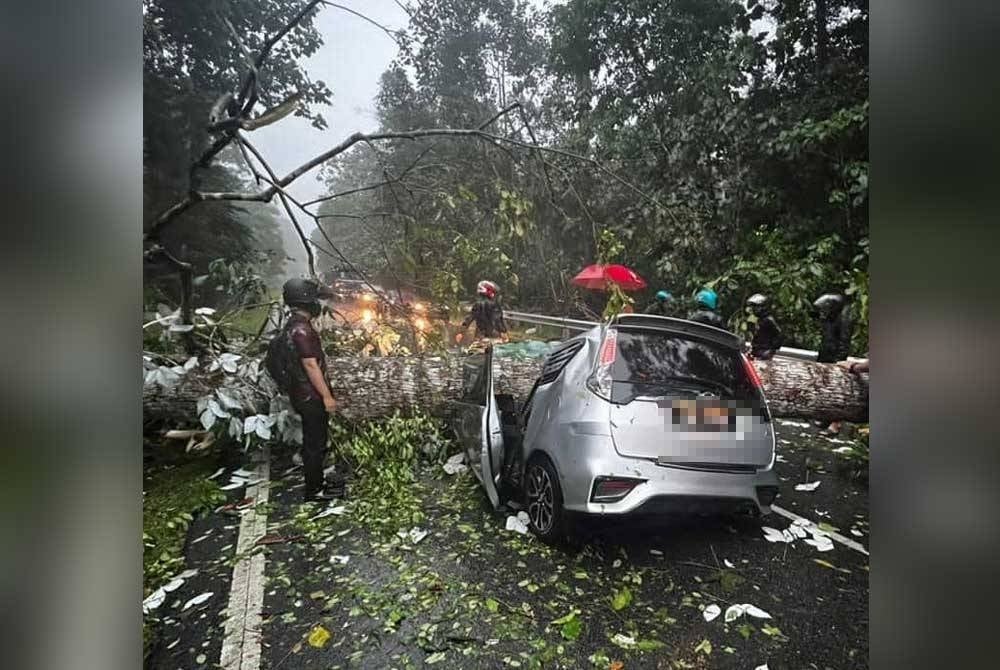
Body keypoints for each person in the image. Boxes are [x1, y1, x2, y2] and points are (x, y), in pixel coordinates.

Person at [281, 277, 346, 502]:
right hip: (310, 395)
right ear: (307, 301)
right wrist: (327, 396)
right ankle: (314, 490)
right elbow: (310, 364)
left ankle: (315, 484)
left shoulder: (290, 326)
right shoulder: (302, 330)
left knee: (313, 441)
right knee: (315, 443)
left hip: (299, 392)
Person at [813, 293, 854, 435]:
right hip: (825, 355)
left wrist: (838, 363)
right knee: (825, 387)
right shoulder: (829, 318)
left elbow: (843, 343)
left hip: (835, 360)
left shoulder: (843, 320)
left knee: (836, 390)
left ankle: (835, 424)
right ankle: (825, 418)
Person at [746, 293, 782, 359]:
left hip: (764, 352)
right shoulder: (760, 320)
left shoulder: (769, 320)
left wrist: (771, 350)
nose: (753, 309)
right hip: (757, 351)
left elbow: (779, 335)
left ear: (763, 307)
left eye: (755, 307)